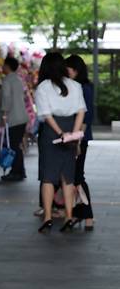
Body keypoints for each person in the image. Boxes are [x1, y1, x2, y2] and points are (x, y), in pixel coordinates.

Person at [34, 52, 86, 233]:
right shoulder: (75, 85)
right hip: (71, 127)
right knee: (68, 177)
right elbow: (81, 111)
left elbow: (46, 115)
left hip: (51, 132)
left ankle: (48, 217)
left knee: (48, 177)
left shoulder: (43, 87)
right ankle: (69, 216)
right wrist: (73, 134)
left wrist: (60, 133)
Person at [65, 55, 95, 231]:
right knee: (75, 176)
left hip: (79, 137)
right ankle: (80, 214)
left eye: (67, 69)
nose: (65, 72)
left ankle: (88, 215)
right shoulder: (80, 86)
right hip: (77, 136)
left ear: (75, 70)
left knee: (77, 176)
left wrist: (77, 138)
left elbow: (86, 116)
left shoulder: (83, 88)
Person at [0, 57, 30, 181]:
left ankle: (17, 171)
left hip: (13, 118)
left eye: (4, 65)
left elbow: (6, 97)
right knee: (16, 145)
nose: (2, 67)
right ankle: (19, 170)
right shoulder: (18, 79)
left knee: (13, 146)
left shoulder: (7, 80)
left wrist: (4, 114)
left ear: (7, 66)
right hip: (22, 117)